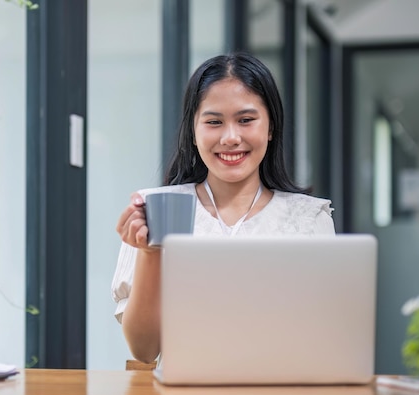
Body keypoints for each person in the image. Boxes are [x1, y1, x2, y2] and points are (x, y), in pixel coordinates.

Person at [112, 52, 335, 364]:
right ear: (193, 131)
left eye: (246, 120)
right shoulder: (156, 209)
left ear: (270, 127)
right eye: (214, 122)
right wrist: (150, 253)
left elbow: (326, 337)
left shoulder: (309, 218)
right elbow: (144, 351)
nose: (231, 138)